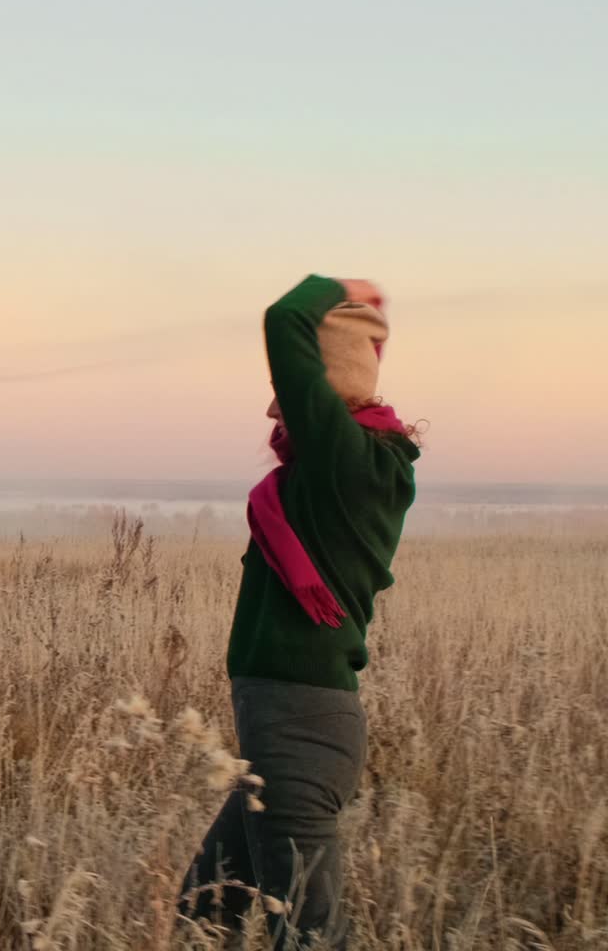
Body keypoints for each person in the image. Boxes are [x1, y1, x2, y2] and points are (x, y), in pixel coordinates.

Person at [177, 274, 422, 949]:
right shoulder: (346, 472)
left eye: (287, 394)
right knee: (206, 907)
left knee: (309, 937)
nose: (272, 412)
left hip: (297, 730)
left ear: (326, 390)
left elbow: (283, 316)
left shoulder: (342, 463)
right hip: (294, 731)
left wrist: (337, 289)